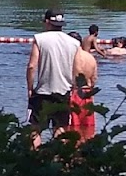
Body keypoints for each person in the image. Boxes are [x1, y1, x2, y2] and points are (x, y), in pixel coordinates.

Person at [25, 8, 82, 139]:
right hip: (63, 92)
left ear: (46, 22)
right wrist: (74, 88)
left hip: (42, 92)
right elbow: (78, 70)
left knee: (35, 130)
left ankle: (35, 158)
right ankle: (58, 158)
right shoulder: (74, 43)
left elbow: (32, 66)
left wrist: (30, 88)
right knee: (60, 129)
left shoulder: (39, 39)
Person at [69, 37, 100, 141]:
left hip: (75, 93)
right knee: (89, 127)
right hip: (88, 94)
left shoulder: (71, 57)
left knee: (73, 127)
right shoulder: (90, 57)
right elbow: (94, 78)